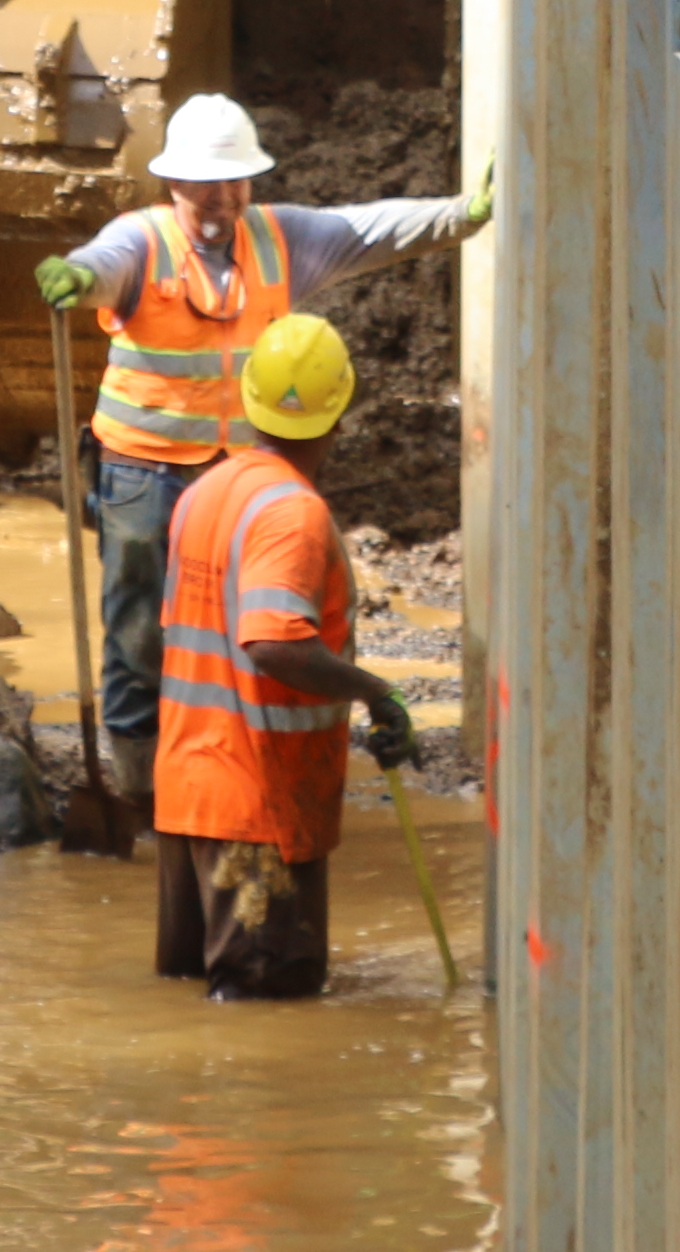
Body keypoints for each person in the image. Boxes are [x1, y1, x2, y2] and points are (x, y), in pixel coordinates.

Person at [34, 94, 488, 810]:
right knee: (136, 632)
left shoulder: (279, 240)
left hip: (237, 477)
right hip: (142, 472)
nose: (219, 200)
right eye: (203, 186)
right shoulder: (142, 240)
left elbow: (370, 228)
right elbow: (103, 263)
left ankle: (225, 770)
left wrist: (462, 213)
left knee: (245, 629)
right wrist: (81, 277)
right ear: (172, 184)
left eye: (233, 183)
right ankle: (138, 789)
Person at [149, 313, 421, 998]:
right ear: (341, 415)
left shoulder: (206, 492)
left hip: (190, 795)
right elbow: (271, 641)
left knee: (205, 1005)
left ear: (250, 401)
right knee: (262, 1016)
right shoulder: (291, 513)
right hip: (256, 812)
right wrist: (373, 691)